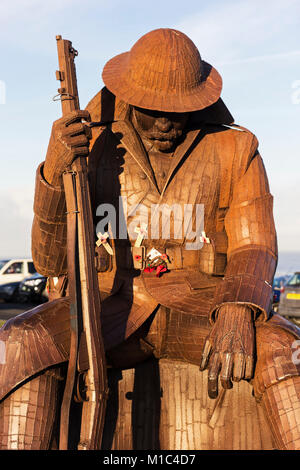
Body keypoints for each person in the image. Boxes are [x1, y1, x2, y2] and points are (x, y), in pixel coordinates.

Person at [1, 28, 300, 450]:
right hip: (107, 309)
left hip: (202, 309)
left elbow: (255, 243)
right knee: (18, 342)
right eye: (153, 110)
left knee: (286, 350)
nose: (164, 123)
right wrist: (54, 171)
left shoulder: (236, 147)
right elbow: (49, 261)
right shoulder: (94, 143)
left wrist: (237, 306)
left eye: (175, 112)